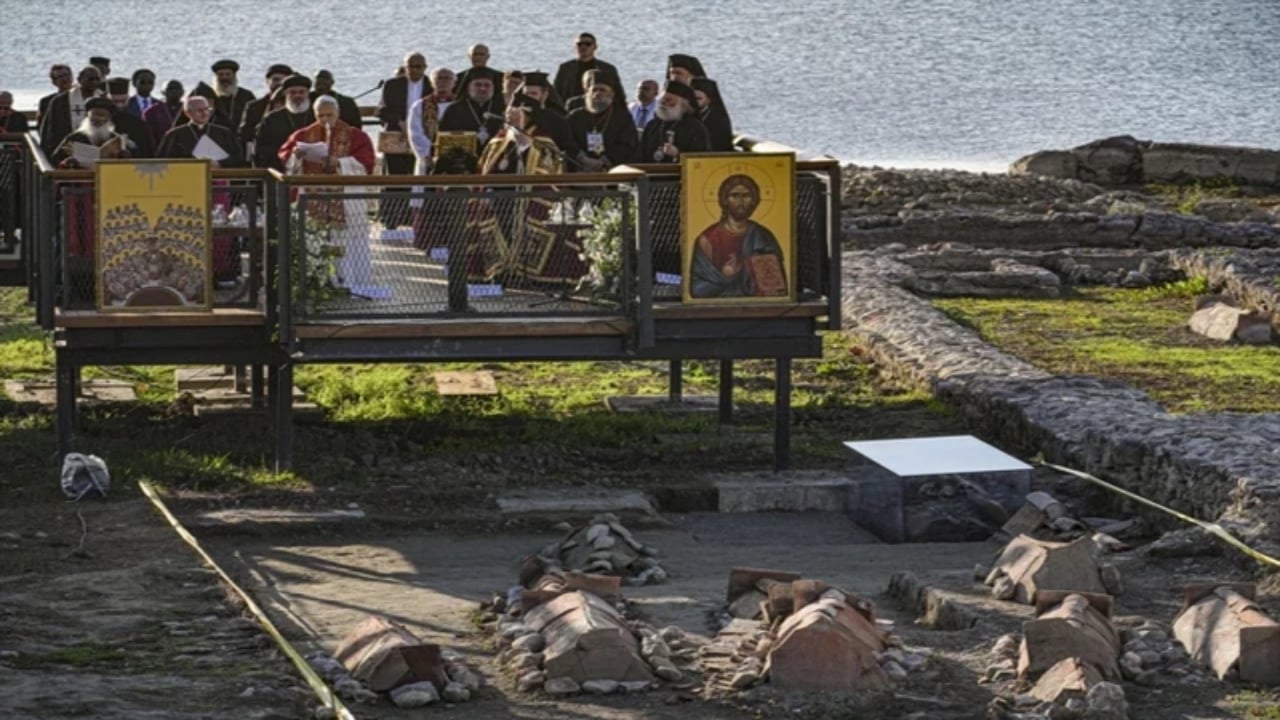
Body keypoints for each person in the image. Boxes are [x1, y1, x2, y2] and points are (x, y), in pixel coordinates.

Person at [279, 95, 380, 295]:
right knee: (313, 239)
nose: (325, 120)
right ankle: (315, 283)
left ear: (338, 113)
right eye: (320, 115)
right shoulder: (303, 134)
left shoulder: (356, 136)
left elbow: (367, 162)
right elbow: (286, 157)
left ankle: (349, 281)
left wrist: (340, 163)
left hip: (346, 199)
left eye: (329, 115)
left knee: (347, 241)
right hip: (312, 197)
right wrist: (296, 156)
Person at [690, 174, 787, 298]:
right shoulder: (708, 240)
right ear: (725, 199)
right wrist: (726, 277)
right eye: (734, 195)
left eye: (746, 196)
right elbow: (697, 289)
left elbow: (776, 288)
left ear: (754, 200)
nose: (740, 202)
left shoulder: (763, 237)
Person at [567, 79, 636, 171]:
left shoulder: (623, 117)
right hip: (579, 166)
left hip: (612, 169)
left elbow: (627, 145)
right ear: (587, 93)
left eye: (602, 90)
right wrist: (584, 159)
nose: (598, 93)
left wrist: (603, 161)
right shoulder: (575, 116)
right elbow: (567, 140)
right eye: (594, 90)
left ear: (611, 94)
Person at [157, 96, 242, 166]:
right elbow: (164, 161)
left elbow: (237, 157)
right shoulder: (174, 135)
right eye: (199, 110)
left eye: (207, 109)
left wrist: (219, 163)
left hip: (218, 179)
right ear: (187, 113)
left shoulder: (224, 132)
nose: (205, 113)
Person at [39, 66, 104, 157]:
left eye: (97, 79)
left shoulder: (103, 99)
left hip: (96, 150)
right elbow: (50, 130)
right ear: (79, 79)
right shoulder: (61, 101)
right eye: (90, 79)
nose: (94, 82)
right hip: (67, 149)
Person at [254, 75, 314, 171]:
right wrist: (289, 155)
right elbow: (261, 149)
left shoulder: (316, 116)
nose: (297, 96)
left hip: (313, 170)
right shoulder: (272, 118)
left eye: (301, 92)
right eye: (292, 92)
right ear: (286, 94)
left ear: (307, 94)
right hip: (280, 169)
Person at [639, 81, 709, 164]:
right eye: (662, 99)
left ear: (683, 105)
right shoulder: (652, 125)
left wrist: (677, 154)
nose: (663, 103)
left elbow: (702, 159)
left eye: (669, 100)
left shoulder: (695, 127)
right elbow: (640, 154)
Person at [517, 71, 578, 163]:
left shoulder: (558, 121)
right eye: (526, 94)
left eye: (533, 94)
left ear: (544, 95)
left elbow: (569, 149)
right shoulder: (514, 117)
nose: (528, 98)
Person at [51, 97, 127, 167]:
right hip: (80, 179)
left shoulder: (115, 139)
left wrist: (124, 155)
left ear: (109, 118)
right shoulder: (74, 138)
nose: (98, 119)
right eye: (94, 115)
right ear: (87, 116)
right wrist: (67, 162)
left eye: (102, 115)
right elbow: (55, 160)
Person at [553, 32, 623, 107]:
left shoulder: (607, 69)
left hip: (601, 110)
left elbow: (619, 96)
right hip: (571, 109)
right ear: (575, 47)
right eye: (579, 44)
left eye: (588, 44)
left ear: (595, 47)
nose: (583, 47)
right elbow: (555, 93)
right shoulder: (565, 68)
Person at [438, 75, 503, 151]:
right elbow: (444, 136)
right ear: (469, 87)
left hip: (494, 157)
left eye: (487, 85)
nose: (483, 88)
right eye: (478, 85)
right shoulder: (454, 109)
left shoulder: (502, 108)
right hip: (462, 158)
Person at [239, 63, 293, 152]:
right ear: (267, 81)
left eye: (284, 81)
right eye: (276, 80)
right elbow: (245, 135)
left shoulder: (299, 105)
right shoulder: (254, 107)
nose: (280, 84)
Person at [105, 77, 155, 158]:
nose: (119, 105)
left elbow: (147, 152)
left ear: (128, 100)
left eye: (123, 101)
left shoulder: (139, 124)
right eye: (115, 102)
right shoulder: (101, 123)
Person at [211, 59, 255, 137]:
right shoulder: (209, 96)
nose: (224, 78)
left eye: (228, 74)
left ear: (234, 76)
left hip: (239, 139)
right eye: (220, 75)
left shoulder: (246, 95)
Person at [691, 77, 734, 152]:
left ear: (709, 100)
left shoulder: (718, 121)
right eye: (691, 98)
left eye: (698, 98)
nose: (694, 102)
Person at [143, 80, 185, 148]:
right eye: (170, 89)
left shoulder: (189, 109)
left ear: (183, 92)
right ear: (163, 92)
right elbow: (148, 137)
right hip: (161, 150)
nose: (174, 91)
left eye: (177, 88)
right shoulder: (151, 112)